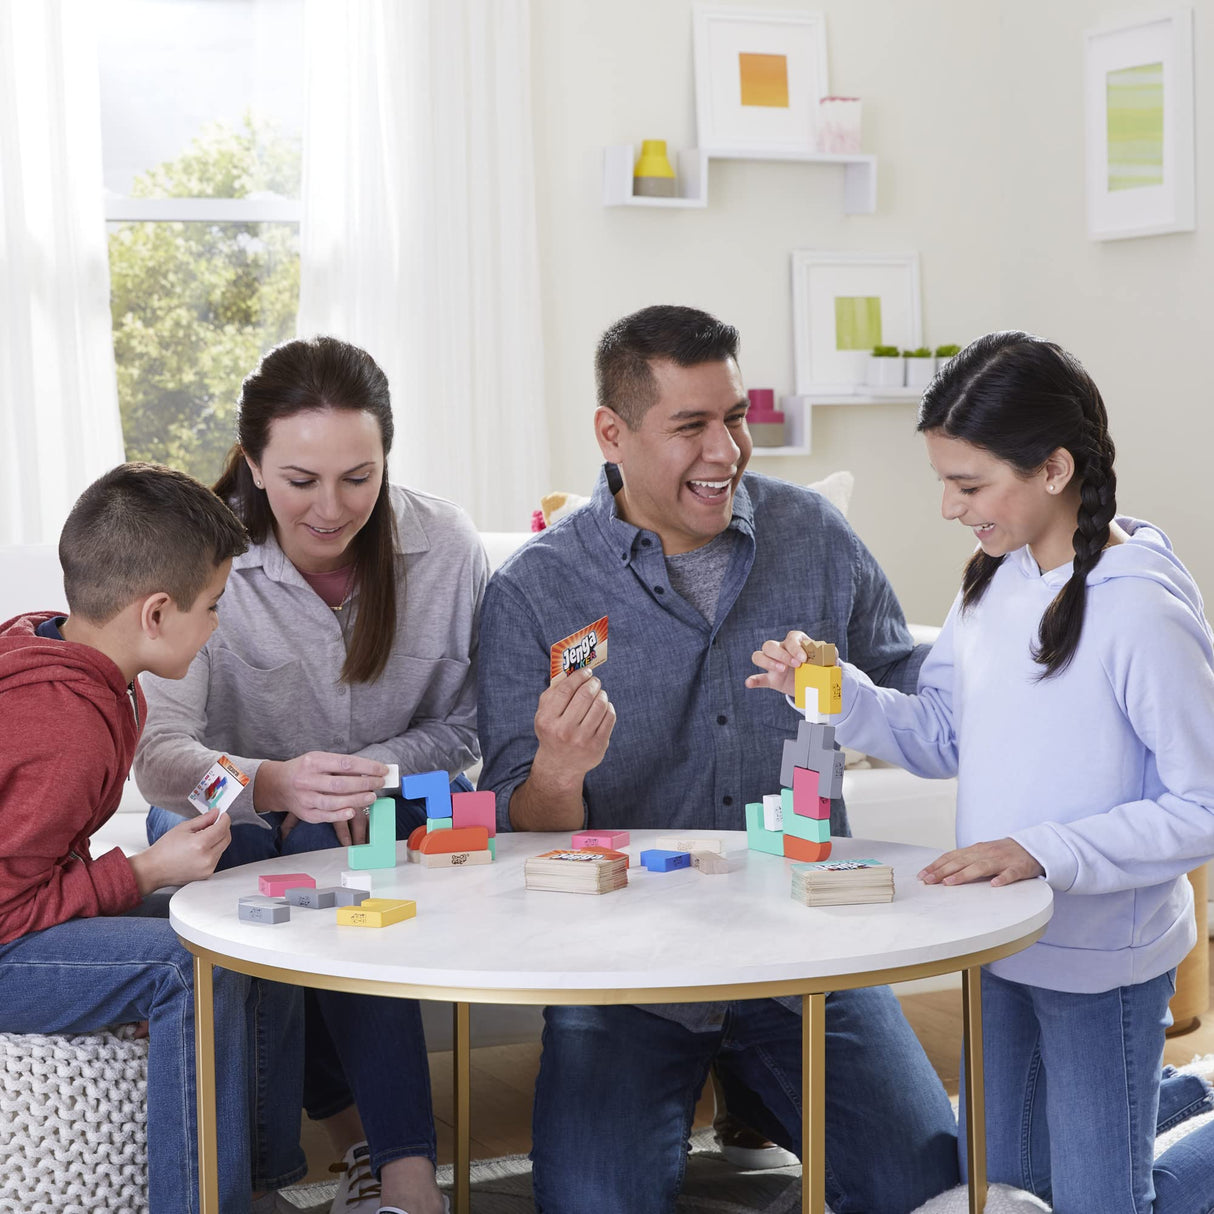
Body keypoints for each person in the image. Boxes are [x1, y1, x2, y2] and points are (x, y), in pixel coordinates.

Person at [476, 304, 960, 1214]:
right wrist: (557, 773)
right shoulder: (535, 591)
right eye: (690, 426)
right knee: (593, 1204)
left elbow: (914, 691)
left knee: (923, 1189)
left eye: (735, 417)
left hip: (806, 953)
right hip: (625, 977)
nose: (725, 450)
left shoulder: (812, 535)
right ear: (611, 434)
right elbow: (509, 826)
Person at [750, 331, 1214, 1213]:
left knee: (1103, 1205)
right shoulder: (992, 585)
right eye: (944, 483)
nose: (948, 509)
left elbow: (1203, 804)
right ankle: (1157, 1103)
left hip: (1103, 962)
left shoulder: (1142, 609)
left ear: (1052, 468)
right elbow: (939, 735)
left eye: (968, 485)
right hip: (999, 945)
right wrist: (836, 692)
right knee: (998, 1191)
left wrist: (1040, 850)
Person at [135, 337, 486, 1214]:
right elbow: (159, 759)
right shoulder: (197, 561)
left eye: (358, 477)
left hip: (387, 803)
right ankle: (263, 1179)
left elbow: (473, 726)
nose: (332, 509)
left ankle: (406, 1182)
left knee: (359, 864)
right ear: (253, 464)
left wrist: (370, 777)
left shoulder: (444, 547)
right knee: (260, 862)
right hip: (232, 818)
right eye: (299, 481)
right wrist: (274, 784)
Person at [0, 462, 304, 1214]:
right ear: (158, 613)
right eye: (213, 606)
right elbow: (8, 912)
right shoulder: (66, 725)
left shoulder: (67, 655)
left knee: (249, 932)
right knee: (188, 967)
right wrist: (141, 872)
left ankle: (256, 1180)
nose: (217, 625)